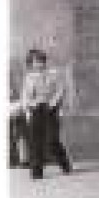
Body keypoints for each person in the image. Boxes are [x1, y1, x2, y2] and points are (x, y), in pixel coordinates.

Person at [22, 47, 72, 179]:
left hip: (51, 109)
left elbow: (61, 90)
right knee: (35, 141)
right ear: (31, 63)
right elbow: (25, 97)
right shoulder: (29, 78)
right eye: (35, 62)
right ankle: (37, 173)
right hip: (36, 110)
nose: (39, 64)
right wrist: (31, 106)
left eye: (41, 61)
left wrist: (54, 103)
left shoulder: (53, 73)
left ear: (44, 61)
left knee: (52, 140)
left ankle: (65, 165)